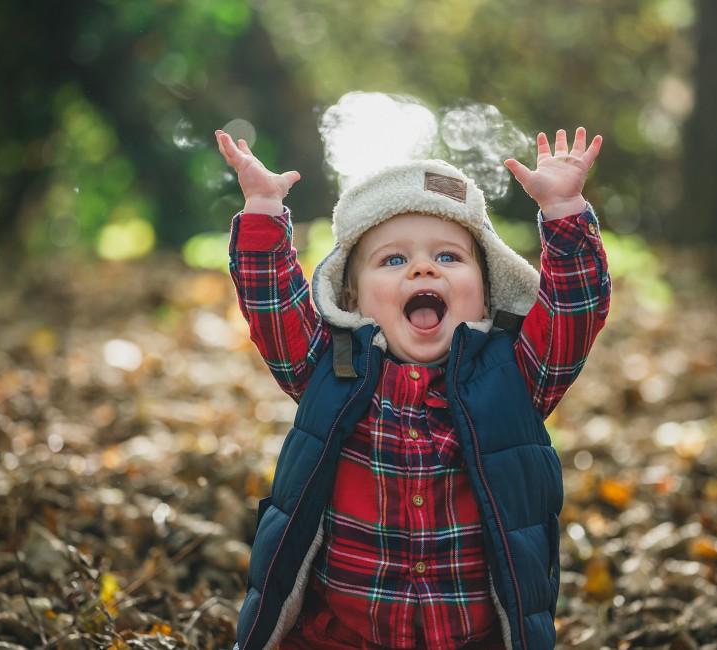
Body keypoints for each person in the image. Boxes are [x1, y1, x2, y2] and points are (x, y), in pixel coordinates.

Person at [216, 125, 610, 650]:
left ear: (487, 293)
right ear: (351, 299)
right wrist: (264, 209)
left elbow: (574, 313)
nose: (423, 267)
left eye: (449, 257)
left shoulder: (514, 377)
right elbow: (272, 307)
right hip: (340, 635)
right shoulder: (330, 370)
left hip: (474, 636)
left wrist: (564, 213)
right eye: (393, 260)